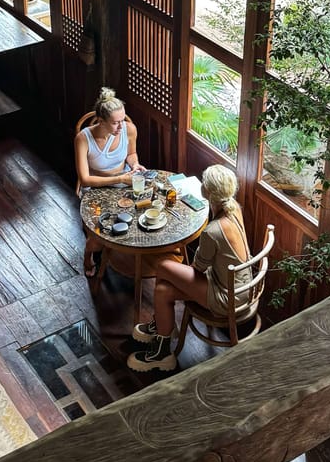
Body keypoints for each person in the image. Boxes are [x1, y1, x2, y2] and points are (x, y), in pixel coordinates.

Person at [127, 164, 252, 373]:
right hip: (239, 284)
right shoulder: (234, 209)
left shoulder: (212, 231)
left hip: (227, 296)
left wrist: (176, 275)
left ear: (208, 192)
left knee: (163, 267)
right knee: (162, 290)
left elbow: (197, 269)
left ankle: (161, 332)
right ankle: (162, 345)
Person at [75, 86, 145, 277]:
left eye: (123, 120)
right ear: (101, 120)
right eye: (115, 123)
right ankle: (88, 255)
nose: (121, 127)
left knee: (144, 213)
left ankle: (130, 255)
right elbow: (85, 179)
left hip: (123, 183)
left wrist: (135, 165)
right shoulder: (83, 139)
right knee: (100, 233)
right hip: (94, 189)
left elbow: (131, 154)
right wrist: (119, 178)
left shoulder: (129, 129)